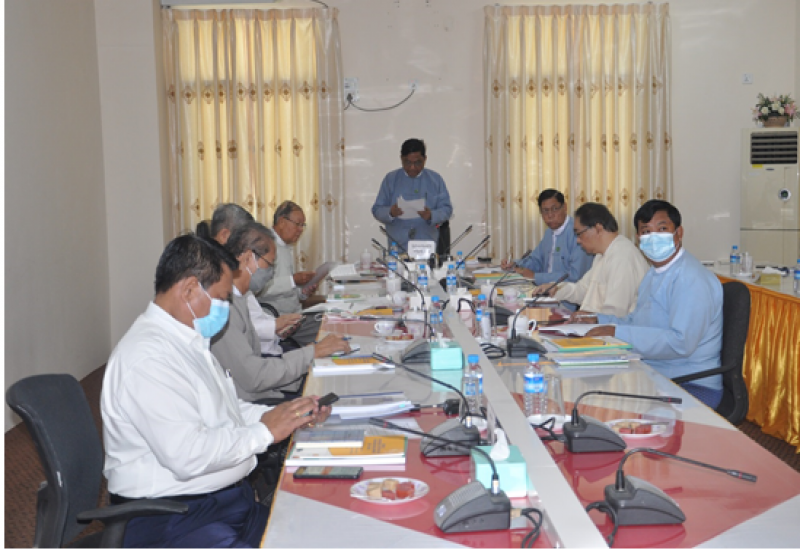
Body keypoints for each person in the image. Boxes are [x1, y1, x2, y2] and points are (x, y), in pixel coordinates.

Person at [101, 234, 331, 548]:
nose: (226, 307)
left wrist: (285, 415)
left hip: (220, 504)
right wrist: (264, 432)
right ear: (189, 290)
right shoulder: (147, 359)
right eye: (222, 298)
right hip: (173, 519)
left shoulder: (188, 341)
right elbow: (188, 455)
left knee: (315, 534)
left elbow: (225, 409)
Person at [578, 200, 724, 408]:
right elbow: (637, 321)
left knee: (613, 408)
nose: (653, 237)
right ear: (638, 239)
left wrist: (617, 332)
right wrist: (598, 320)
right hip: (655, 372)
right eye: (646, 231)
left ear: (679, 233)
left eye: (662, 229)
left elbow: (680, 343)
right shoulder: (654, 273)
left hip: (690, 383)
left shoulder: (692, 279)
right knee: (589, 390)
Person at [211, 221, 350, 403]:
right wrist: (311, 353)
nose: (271, 273)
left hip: (267, 387)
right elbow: (255, 377)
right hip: (256, 401)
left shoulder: (241, 297)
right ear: (248, 259)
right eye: (269, 264)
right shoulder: (225, 306)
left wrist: (308, 352)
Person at [202, 204, 302, 355]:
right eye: (242, 236)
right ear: (225, 236)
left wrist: (277, 327)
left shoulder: (239, 273)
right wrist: (274, 326)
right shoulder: (215, 280)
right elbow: (239, 334)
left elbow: (254, 315)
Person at [535, 203, 648, 317]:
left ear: (598, 229)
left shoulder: (622, 256)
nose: (578, 240)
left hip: (610, 328)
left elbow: (614, 313)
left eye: (579, 234)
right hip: (595, 325)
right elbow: (582, 290)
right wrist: (555, 288)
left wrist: (586, 317)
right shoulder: (602, 254)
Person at [254, 201, 323, 346]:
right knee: (330, 327)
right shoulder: (265, 246)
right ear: (281, 222)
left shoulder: (284, 246)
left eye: (302, 225)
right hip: (281, 321)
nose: (300, 230)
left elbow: (286, 289)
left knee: (333, 319)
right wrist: (293, 280)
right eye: (297, 224)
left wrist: (303, 292)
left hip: (296, 315)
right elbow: (260, 289)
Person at [371, 138, 453, 252]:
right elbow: (377, 210)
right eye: (408, 162)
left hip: (427, 247)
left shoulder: (435, 180)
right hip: (398, 248)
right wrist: (390, 212)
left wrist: (431, 215)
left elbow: (447, 209)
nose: (412, 167)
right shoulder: (390, 180)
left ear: (425, 159)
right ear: (401, 159)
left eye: (417, 162)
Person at [500, 189, 593, 285]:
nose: (550, 215)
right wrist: (515, 265)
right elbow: (536, 261)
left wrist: (535, 277)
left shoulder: (579, 233)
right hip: (546, 289)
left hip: (567, 293)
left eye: (554, 209)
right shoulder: (549, 232)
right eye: (545, 211)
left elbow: (576, 276)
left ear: (564, 207)